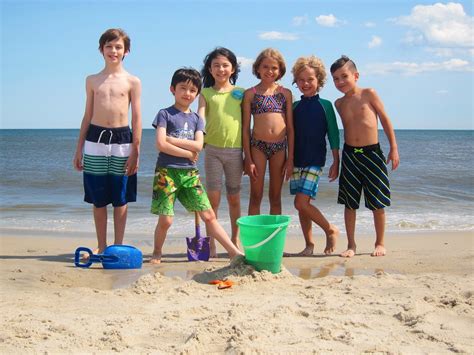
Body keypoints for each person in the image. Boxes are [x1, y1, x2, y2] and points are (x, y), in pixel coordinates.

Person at [150, 68, 244, 264]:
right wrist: (187, 153)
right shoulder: (165, 114)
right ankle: (157, 252)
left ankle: (234, 251)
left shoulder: (196, 119)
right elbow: (160, 144)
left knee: (209, 215)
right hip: (166, 172)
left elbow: (199, 145)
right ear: (172, 89)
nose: (187, 93)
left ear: (197, 93)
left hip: (190, 174)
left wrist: (171, 139)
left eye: (192, 90)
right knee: (166, 220)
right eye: (182, 88)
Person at [73, 28, 142, 255]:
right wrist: (78, 148)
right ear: (101, 49)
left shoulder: (132, 81)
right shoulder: (92, 80)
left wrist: (136, 150)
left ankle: (117, 245)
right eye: (109, 46)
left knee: (120, 198)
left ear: (126, 51)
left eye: (118, 47)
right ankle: (102, 246)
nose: (114, 51)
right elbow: (87, 115)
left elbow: (137, 117)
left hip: (123, 139)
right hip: (95, 139)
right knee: (98, 197)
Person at [330, 55, 400, 258]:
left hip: (372, 153)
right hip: (351, 155)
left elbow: (385, 120)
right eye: (336, 78)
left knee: (377, 202)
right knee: (349, 203)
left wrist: (393, 148)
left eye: (344, 76)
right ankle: (351, 245)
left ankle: (380, 242)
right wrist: (337, 160)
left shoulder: (369, 94)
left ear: (356, 75)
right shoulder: (338, 103)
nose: (340, 82)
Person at [287, 55, 340, 256]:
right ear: (296, 82)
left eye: (310, 79)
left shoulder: (325, 105)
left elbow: (333, 134)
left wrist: (336, 160)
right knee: (303, 207)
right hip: (296, 160)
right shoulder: (295, 107)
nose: (305, 83)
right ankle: (309, 246)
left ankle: (330, 229)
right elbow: (289, 135)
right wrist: (287, 160)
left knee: (300, 202)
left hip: (315, 160)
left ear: (319, 80)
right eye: (301, 80)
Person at [198, 47, 244, 257]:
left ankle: (234, 239)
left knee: (234, 198)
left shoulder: (241, 93)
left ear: (233, 68)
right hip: (212, 151)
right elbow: (200, 119)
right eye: (216, 65)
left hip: (235, 151)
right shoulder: (205, 93)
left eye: (225, 65)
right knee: (213, 199)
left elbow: (246, 123)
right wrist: (195, 144)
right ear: (210, 68)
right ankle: (212, 243)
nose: (221, 69)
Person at [242, 48, 294, 215]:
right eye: (265, 67)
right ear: (258, 68)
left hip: (279, 148)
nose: (269, 71)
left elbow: (291, 129)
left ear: (280, 71)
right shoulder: (250, 94)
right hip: (258, 147)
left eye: (274, 68)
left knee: (275, 196)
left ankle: (274, 237)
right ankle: (254, 239)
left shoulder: (285, 93)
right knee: (255, 195)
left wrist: (290, 158)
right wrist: (248, 158)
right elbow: (245, 129)